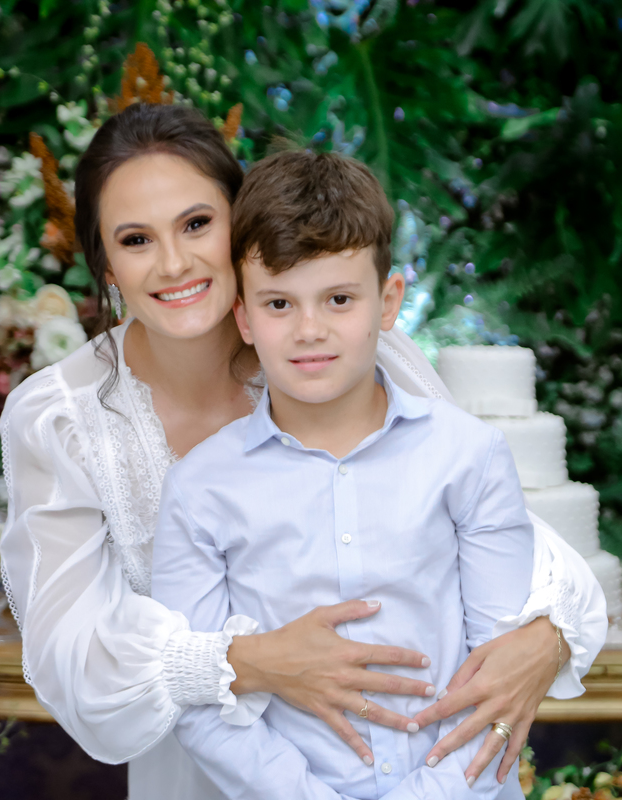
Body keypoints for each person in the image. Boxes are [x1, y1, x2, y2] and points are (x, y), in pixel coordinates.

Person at [0, 102, 608, 800]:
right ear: (105, 263)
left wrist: (546, 636)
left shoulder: (349, 353)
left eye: (196, 224)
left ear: (240, 226)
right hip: (216, 766)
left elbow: (486, 525)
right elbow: (71, 659)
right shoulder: (62, 420)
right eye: (135, 239)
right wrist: (251, 662)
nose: (173, 262)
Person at [151, 148, 545, 799]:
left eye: (338, 299)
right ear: (244, 317)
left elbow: (502, 672)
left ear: (388, 302)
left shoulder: (468, 456)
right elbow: (201, 697)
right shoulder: (200, 489)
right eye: (279, 304)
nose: (309, 330)